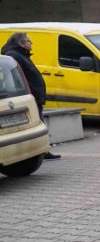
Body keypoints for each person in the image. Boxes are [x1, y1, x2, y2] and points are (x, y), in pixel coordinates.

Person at [2, 32, 60, 160]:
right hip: (29, 97)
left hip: (33, 96)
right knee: (37, 123)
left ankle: (42, 150)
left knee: (39, 122)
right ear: (22, 43)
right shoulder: (14, 56)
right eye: (29, 41)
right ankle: (41, 151)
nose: (31, 43)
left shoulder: (21, 55)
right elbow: (18, 78)